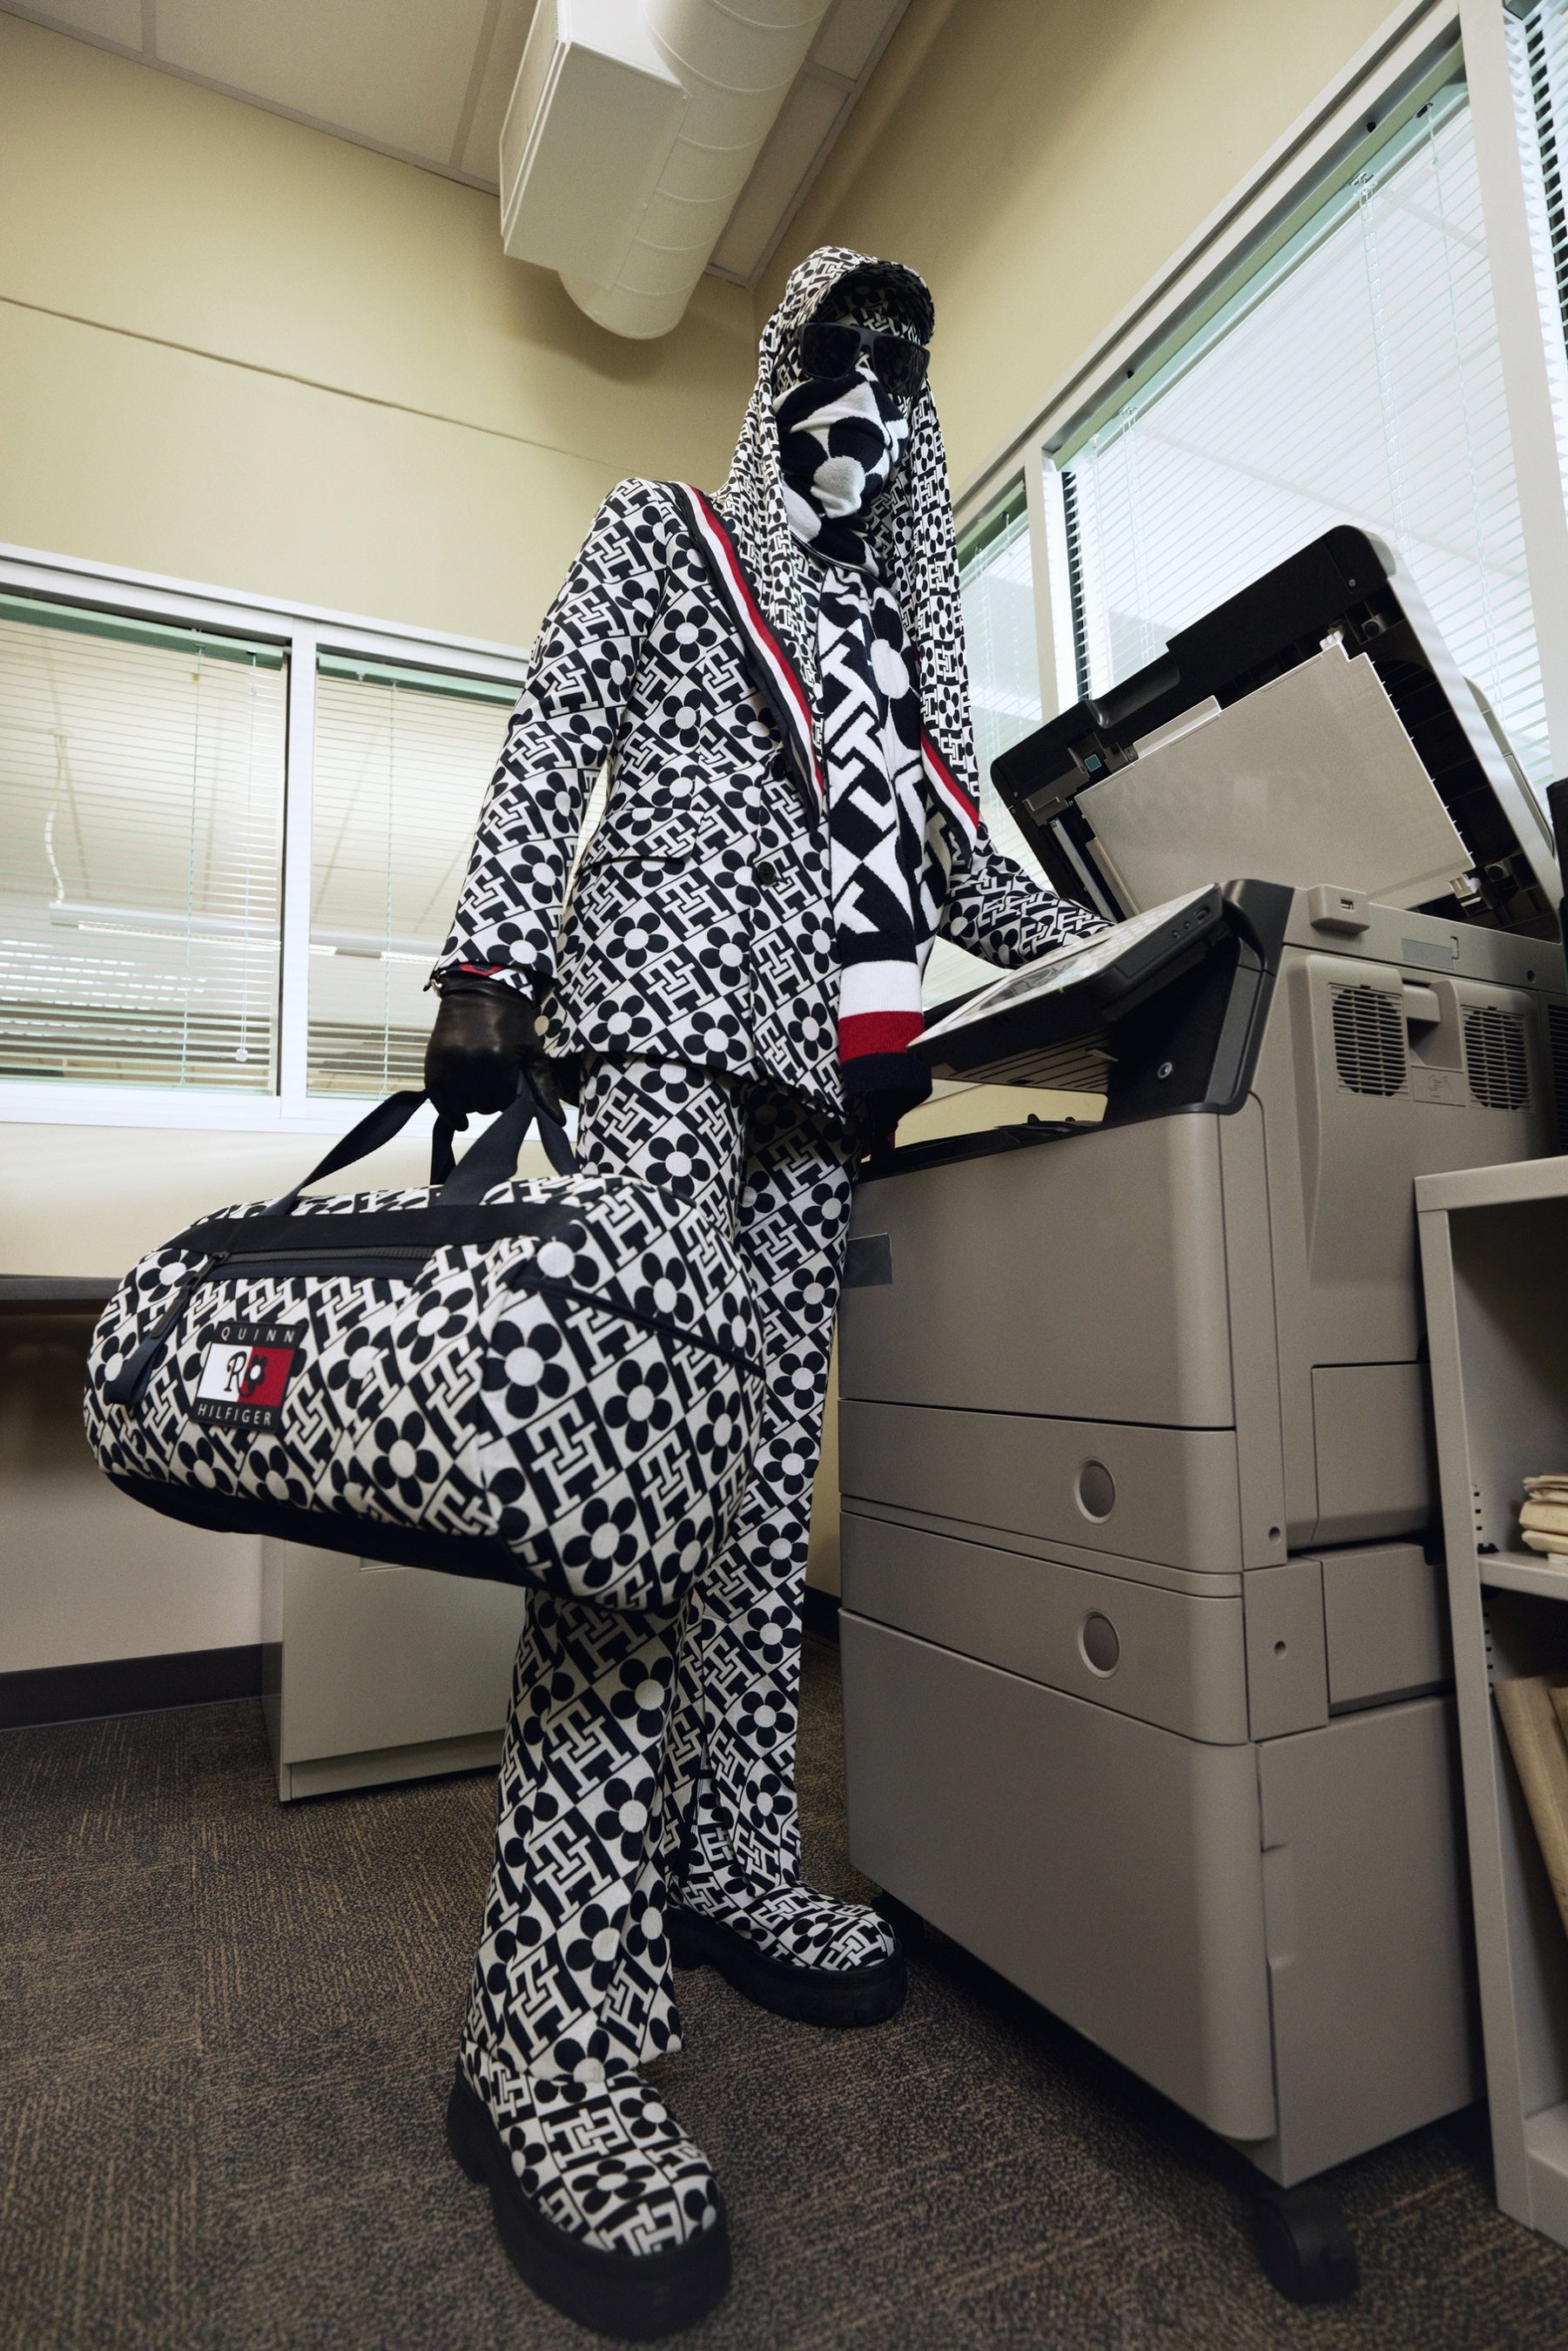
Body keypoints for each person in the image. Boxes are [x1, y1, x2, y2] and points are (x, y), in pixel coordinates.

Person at [425, 242, 1107, 2336]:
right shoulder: (670, 536)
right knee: (632, 1507)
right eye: (839, 350)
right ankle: (542, 2033)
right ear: (775, 367)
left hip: (819, 1092)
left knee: (739, 1517)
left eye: (902, 367)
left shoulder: (889, 646)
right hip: (652, 1027)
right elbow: (556, 732)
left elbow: (964, 868)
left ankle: (725, 1865)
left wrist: (1143, 933)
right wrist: (487, 965)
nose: (867, 393)